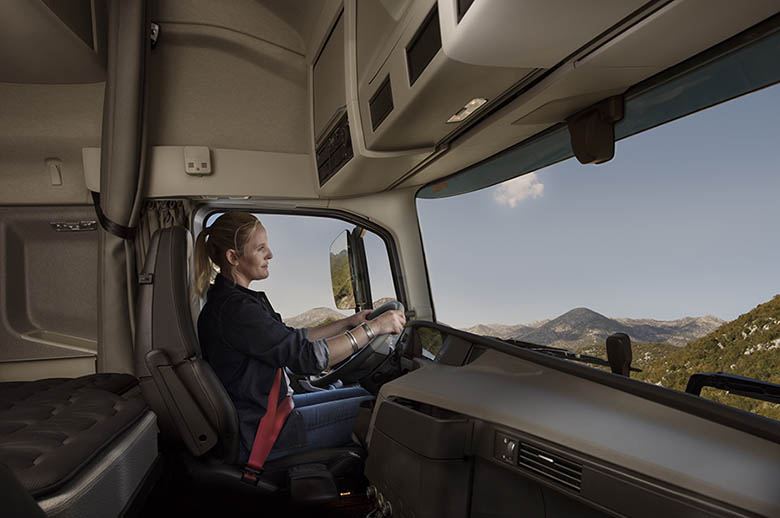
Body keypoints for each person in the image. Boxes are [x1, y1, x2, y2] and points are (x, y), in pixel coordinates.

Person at [194, 212, 405, 463]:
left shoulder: (234, 301)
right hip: (263, 433)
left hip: (270, 413)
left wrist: (349, 322)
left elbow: (292, 339)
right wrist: (374, 328)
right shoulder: (235, 310)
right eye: (261, 248)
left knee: (365, 397)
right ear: (233, 257)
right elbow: (306, 358)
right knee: (381, 412)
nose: (270, 255)